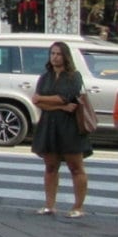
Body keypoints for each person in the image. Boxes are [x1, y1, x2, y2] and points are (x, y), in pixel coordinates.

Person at [31, 41, 91, 219]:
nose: (55, 57)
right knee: (50, 166)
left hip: (70, 127)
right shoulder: (45, 77)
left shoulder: (74, 76)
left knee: (76, 167)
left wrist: (47, 100)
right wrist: (60, 106)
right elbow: (37, 102)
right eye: (52, 53)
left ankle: (78, 206)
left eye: (58, 54)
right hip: (49, 125)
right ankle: (50, 205)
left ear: (65, 56)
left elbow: (64, 97)